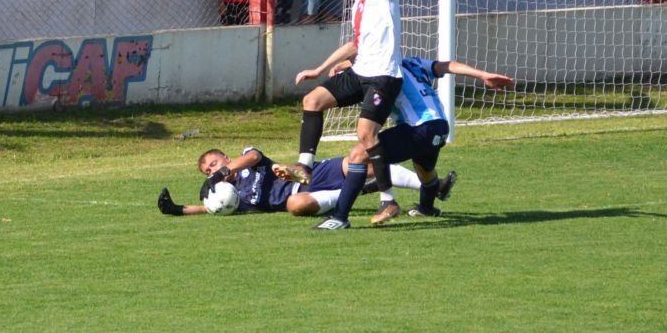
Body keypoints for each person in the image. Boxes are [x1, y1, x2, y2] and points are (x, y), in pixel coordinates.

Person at [313, 57, 514, 230]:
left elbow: (364, 61)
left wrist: (346, 66)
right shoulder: (413, 62)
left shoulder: (386, 72)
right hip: (440, 127)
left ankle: (339, 218)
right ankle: (426, 208)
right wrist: (482, 74)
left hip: (419, 126)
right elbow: (448, 65)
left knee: (359, 154)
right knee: (425, 171)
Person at [294, 0, 411, 230]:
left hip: (383, 77)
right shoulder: (358, 2)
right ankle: (304, 167)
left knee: (365, 135)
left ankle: (388, 200)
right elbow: (357, 44)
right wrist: (320, 69)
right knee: (313, 100)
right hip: (360, 72)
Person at [156, 146, 453, 217]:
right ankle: (362, 189)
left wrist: (224, 172)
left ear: (225, 157)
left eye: (214, 163)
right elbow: (212, 209)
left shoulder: (245, 160)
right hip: (303, 197)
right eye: (207, 170)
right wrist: (178, 209)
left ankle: (432, 186)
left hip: (310, 176)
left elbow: (255, 155)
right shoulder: (233, 196)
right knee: (294, 205)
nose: (212, 169)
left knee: (358, 161)